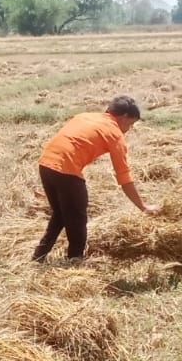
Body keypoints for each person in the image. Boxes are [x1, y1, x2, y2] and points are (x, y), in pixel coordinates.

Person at [32, 96, 159, 263]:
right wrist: (143, 207)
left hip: (46, 163)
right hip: (65, 169)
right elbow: (124, 177)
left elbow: (71, 142)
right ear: (124, 117)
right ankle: (75, 260)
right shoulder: (114, 134)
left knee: (61, 214)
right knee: (77, 217)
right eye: (130, 124)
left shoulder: (84, 116)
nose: (128, 129)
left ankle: (38, 256)